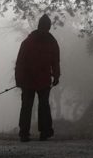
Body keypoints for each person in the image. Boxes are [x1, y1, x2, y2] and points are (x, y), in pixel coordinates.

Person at [15, 13, 60, 142]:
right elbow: (55, 61)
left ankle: (24, 133)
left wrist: (19, 79)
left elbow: (20, 62)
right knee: (43, 105)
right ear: (48, 27)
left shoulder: (28, 41)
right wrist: (56, 76)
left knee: (27, 106)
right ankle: (44, 132)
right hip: (42, 79)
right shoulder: (52, 42)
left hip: (29, 80)